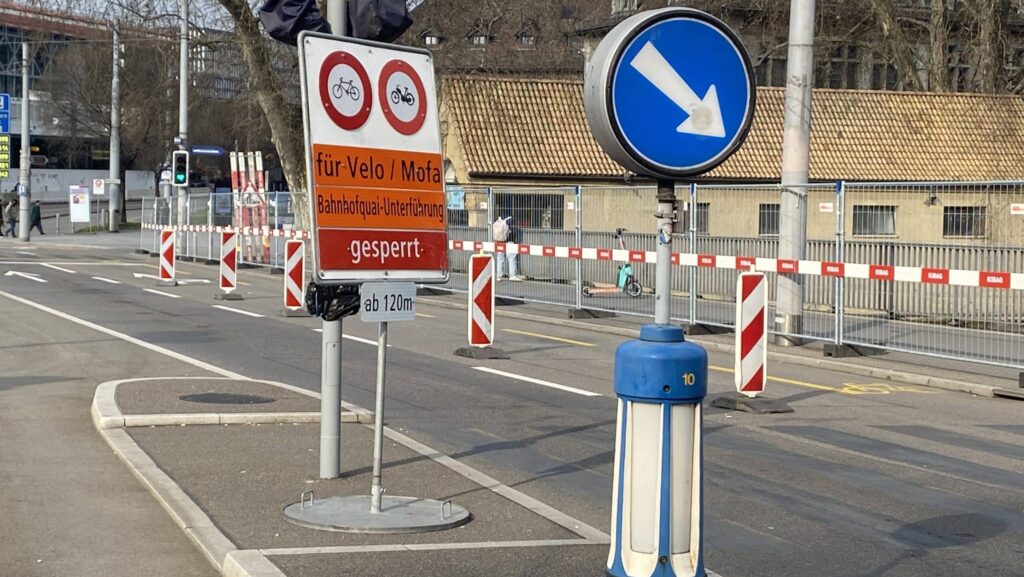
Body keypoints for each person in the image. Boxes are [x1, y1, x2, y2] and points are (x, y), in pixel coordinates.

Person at [491, 215, 523, 281]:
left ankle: (499, 276)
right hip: (509, 241)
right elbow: (512, 230)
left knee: (500, 259)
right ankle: (512, 275)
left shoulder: (499, 219)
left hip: (499, 241)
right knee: (511, 258)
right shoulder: (510, 219)